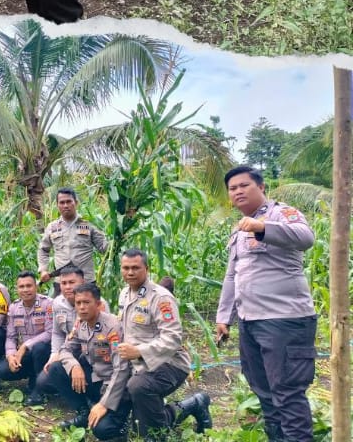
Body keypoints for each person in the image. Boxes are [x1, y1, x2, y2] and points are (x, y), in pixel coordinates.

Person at [216, 165, 317, 442]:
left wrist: (263, 227)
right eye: (232, 188)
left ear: (261, 187)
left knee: (287, 392)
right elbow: (232, 276)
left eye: (243, 185)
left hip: (284, 320)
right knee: (264, 392)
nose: (237, 191)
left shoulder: (280, 213)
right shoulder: (238, 231)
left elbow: (306, 237)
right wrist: (224, 317)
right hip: (251, 322)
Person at [114, 248, 211, 438]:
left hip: (170, 363)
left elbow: (172, 338)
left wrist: (139, 351)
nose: (130, 272)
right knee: (136, 423)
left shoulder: (161, 297)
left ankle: (156, 435)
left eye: (135, 268)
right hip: (138, 364)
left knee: (139, 386)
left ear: (147, 269)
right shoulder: (124, 294)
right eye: (126, 268)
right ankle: (193, 404)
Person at [40, 281, 129, 437]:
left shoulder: (112, 327)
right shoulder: (81, 323)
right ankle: (83, 413)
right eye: (78, 303)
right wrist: (75, 366)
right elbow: (65, 349)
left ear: (98, 304)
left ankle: (123, 422)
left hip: (116, 386)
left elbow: (121, 369)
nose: (81, 307)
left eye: (86, 302)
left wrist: (104, 404)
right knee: (56, 369)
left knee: (101, 430)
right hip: (96, 379)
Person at [0, 272, 53, 395]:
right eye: (21, 287)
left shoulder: (47, 304)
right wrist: (10, 356)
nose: (25, 290)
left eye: (29, 286)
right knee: (3, 370)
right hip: (26, 354)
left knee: (39, 348)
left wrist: (25, 346)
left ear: (36, 287)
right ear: (17, 289)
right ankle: (33, 376)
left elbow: (50, 333)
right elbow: (11, 337)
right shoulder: (14, 308)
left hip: (45, 352)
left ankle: (39, 390)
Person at [38, 188, 108, 284]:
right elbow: (43, 250)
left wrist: (117, 236)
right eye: (62, 203)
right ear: (57, 205)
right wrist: (43, 270)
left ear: (76, 203)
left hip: (86, 282)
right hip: (62, 282)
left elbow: (104, 248)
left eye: (69, 202)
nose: (65, 205)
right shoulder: (52, 227)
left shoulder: (89, 223)